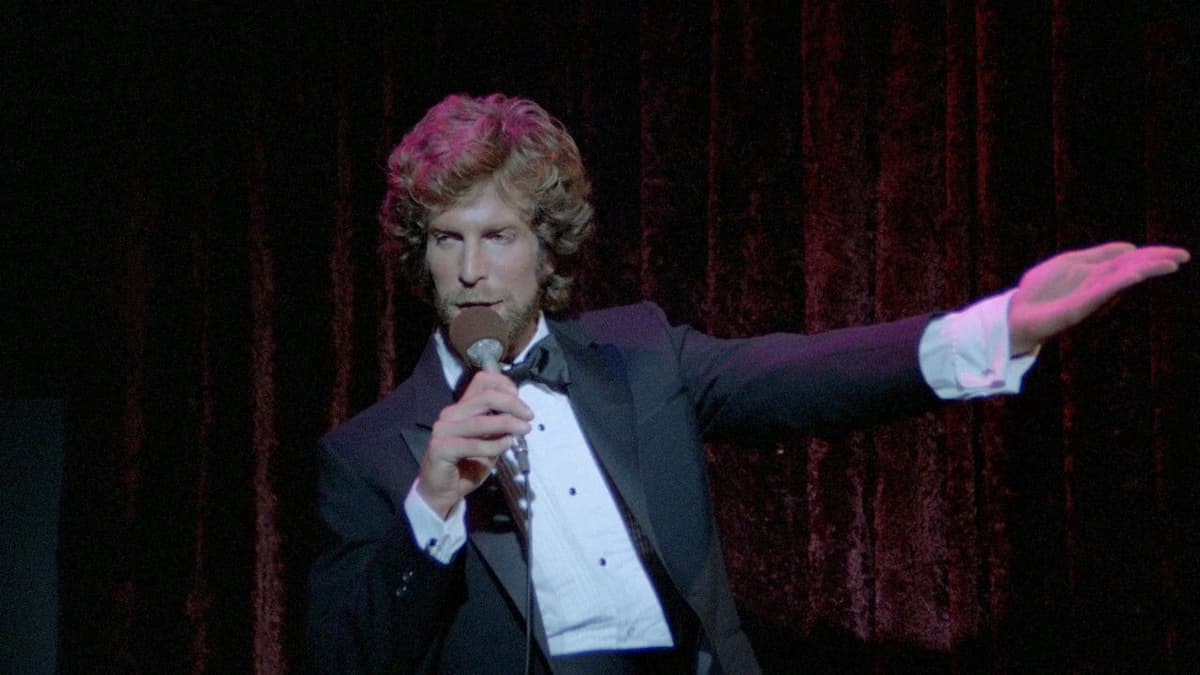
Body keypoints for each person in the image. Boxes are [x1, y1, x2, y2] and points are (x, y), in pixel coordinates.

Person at [305, 93, 1188, 674]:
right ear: (420, 253)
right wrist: (429, 510)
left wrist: (1003, 325)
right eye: (447, 239)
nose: (470, 269)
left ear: (546, 247)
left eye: (497, 236)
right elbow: (343, 660)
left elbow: (801, 376)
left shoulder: (640, 353)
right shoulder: (367, 453)